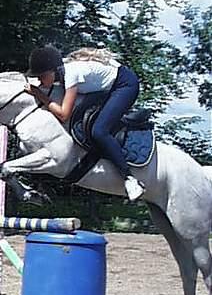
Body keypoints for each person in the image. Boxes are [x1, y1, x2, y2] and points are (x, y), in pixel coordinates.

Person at [24, 45, 145, 201]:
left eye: (41, 76)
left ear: (53, 71)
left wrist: (40, 95)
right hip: (104, 87)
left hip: (124, 85)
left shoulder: (71, 75)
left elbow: (63, 115)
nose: (39, 80)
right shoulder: (59, 71)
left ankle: (130, 179)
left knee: (99, 131)